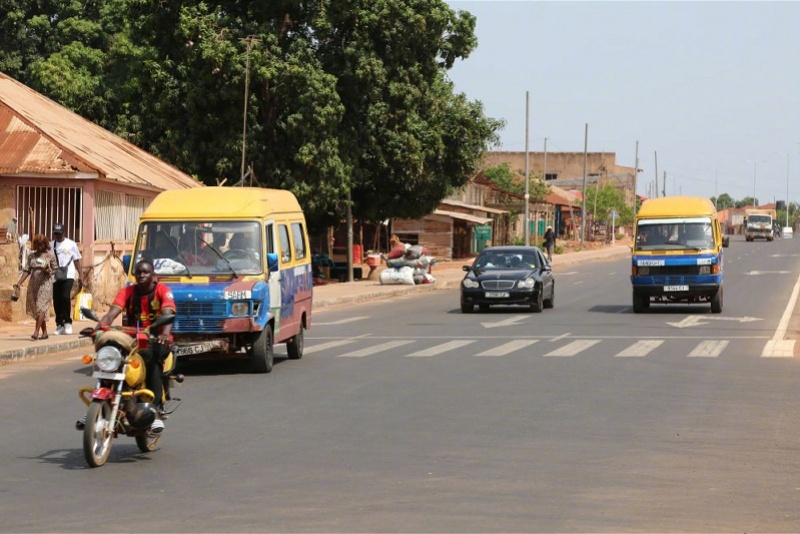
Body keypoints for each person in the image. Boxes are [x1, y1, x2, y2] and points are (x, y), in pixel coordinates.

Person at [96, 259, 176, 433]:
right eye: (138, 272)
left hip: (157, 339)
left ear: (153, 275)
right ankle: (99, 407)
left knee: (150, 358)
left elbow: (168, 313)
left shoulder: (163, 291)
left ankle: (156, 410)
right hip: (131, 339)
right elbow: (111, 314)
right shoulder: (128, 291)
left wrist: (164, 334)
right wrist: (99, 328)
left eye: (146, 272)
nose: (141, 275)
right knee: (109, 352)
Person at [14, 234, 58, 340]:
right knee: (37, 309)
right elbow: (27, 270)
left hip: (45, 285)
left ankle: (36, 332)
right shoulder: (32, 256)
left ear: (45, 244)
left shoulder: (50, 256)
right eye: (38, 245)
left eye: (42, 244)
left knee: (41, 307)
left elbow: (55, 269)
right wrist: (19, 283)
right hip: (34, 285)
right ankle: (45, 333)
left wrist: (48, 271)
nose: (40, 247)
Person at [51, 223, 82, 335]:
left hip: (69, 274)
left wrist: (81, 275)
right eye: (56, 234)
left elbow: (76, 260)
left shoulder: (71, 244)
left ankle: (67, 322)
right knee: (57, 299)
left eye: (60, 234)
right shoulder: (51, 245)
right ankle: (60, 324)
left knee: (65, 297)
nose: (58, 236)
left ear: (64, 233)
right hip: (55, 275)